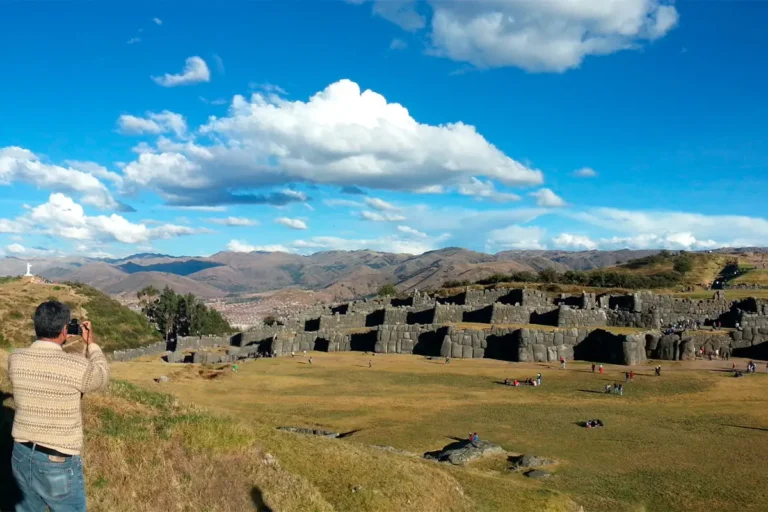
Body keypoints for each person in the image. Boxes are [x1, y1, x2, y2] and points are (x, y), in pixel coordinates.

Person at [8, 301, 110, 512]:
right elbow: (101, 376)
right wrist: (91, 343)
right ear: (65, 329)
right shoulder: (75, 365)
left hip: (20, 453)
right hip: (57, 459)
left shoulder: (15, 358)